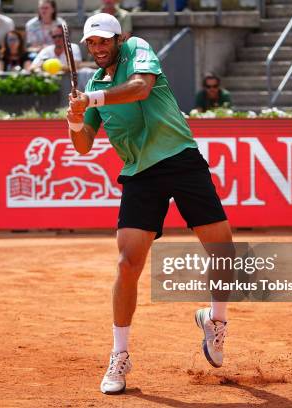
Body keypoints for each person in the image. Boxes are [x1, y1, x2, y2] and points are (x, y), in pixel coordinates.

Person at [67, 13, 234, 395]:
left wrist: (91, 98)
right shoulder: (94, 84)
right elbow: (83, 143)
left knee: (224, 251)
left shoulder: (137, 50)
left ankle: (215, 320)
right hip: (140, 173)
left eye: (104, 41)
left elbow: (141, 88)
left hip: (181, 158)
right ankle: (119, 355)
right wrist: (76, 120)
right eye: (92, 43)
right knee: (128, 263)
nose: (98, 48)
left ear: (118, 38)